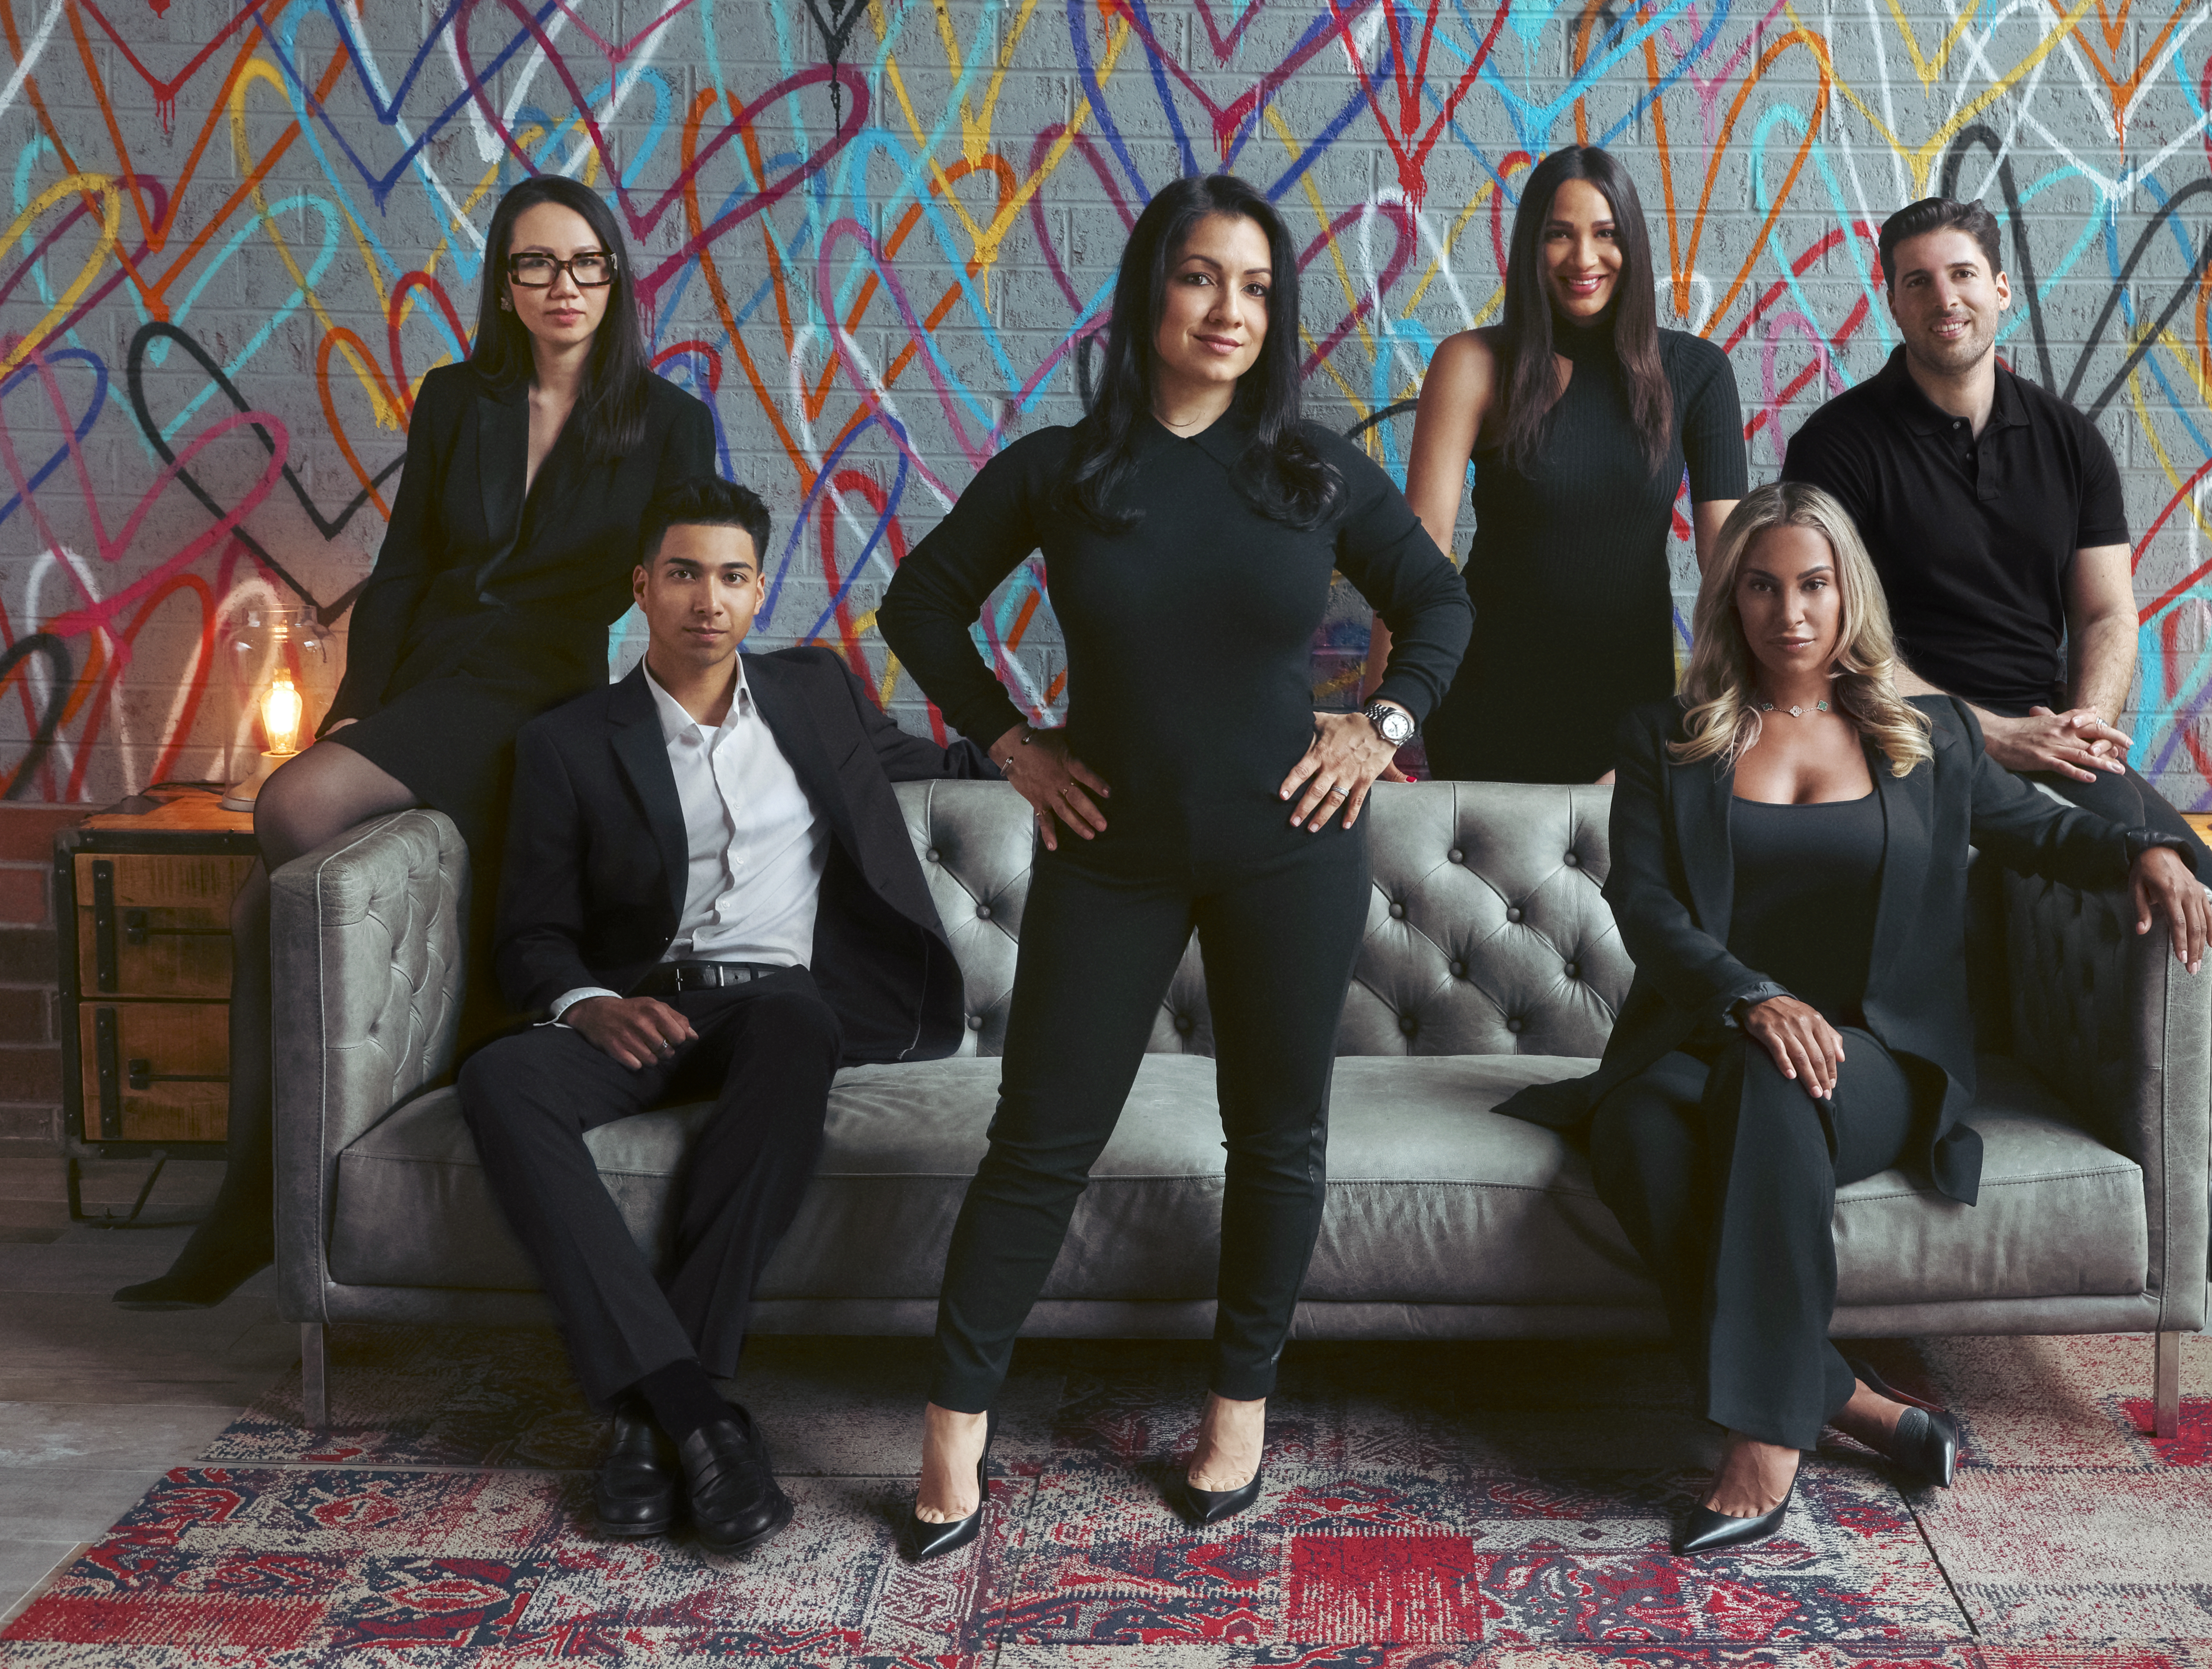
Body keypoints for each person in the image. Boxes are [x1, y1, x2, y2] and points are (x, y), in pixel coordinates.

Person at [875, 173, 1473, 1561]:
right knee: (1038, 1143)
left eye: (1258, 287)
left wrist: (1382, 729)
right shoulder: (1064, 468)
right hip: (1113, 850)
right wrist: (1012, 744)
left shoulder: (1311, 469)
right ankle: (952, 1441)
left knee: (1276, 1142)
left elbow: (1439, 600)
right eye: (1204, 277)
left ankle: (1235, 1420)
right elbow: (921, 600)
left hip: (1292, 849)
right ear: (1152, 291)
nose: (1230, 310)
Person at [1499, 481, 2212, 1554]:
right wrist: (1752, 995)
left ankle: (1761, 1441)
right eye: (1762, 586)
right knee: (1640, 1131)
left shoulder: (1927, 737)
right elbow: (1643, 905)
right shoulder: (1667, 735)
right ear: (1731, 599)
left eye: (1813, 585)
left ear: (1848, 595)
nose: (1789, 612)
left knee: (1779, 1076)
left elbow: (2040, 832)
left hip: (1878, 1053)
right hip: (1704, 1033)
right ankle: (1855, 1402)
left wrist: (2150, 848)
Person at [116, 175, 717, 1312]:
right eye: (535, 264)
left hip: (536, 688)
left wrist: (674, 726)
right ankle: (259, 1205)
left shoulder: (667, 420)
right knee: (266, 911)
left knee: (291, 811)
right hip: (430, 677)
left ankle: (257, 1206)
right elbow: (400, 574)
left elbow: (687, 579)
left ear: (616, 275)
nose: (563, 286)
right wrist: (356, 708)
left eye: (585, 262)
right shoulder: (458, 398)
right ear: (503, 284)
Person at [1778, 196, 2212, 1296]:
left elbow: (2110, 615)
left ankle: (2188, 1198)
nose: (1946, 298)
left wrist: (2080, 722)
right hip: (1903, 737)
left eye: (1964, 274)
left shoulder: (2068, 438)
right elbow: (1839, 642)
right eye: (1920, 280)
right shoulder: (1838, 441)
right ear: (1890, 298)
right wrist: (1994, 734)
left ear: (2001, 288)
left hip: (2056, 738)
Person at [462, 475, 1000, 1555]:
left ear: (759, 593)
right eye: (684, 573)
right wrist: (588, 999)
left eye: (733, 576)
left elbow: (943, 764)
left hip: (779, 1008)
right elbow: (529, 931)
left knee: (800, 1023)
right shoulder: (569, 742)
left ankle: (654, 1415)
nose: (708, 598)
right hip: (643, 1011)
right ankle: (697, 1411)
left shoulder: (816, 697)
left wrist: (1093, 757)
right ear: (642, 588)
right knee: (500, 1079)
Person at [1364, 144, 1746, 782]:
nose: (1583, 258)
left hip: (1635, 708)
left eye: (1605, 234)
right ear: (1529, 249)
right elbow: (1421, 546)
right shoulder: (1473, 363)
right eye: (1558, 235)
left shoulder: (1698, 373)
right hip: (1488, 697)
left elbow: (1728, 570)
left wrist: (1721, 715)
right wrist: (1384, 722)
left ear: (1633, 245)